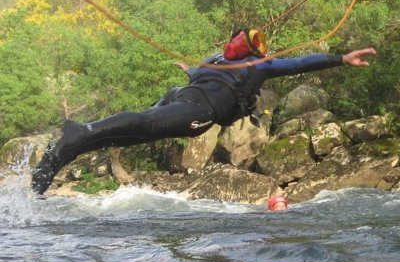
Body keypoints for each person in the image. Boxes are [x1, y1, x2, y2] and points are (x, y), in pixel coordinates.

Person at [31, 28, 377, 195]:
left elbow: (299, 62)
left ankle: (82, 134)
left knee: (145, 122)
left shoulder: (257, 66)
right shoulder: (213, 60)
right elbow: (197, 76)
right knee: (135, 128)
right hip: (184, 100)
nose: (239, 42)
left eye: (245, 40)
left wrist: (339, 58)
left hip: (200, 114)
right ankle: (62, 155)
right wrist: (189, 72)